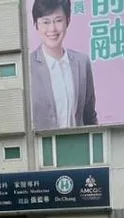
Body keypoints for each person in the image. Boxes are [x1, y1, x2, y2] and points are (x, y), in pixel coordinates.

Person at [28, 0, 97, 131]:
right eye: (45, 22)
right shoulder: (27, 66)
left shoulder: (82, 62)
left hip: (78, 146)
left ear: (68, 21)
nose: (52, 29)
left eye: (58, 20)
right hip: (39, 149)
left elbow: (89, 115)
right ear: (36, 24)